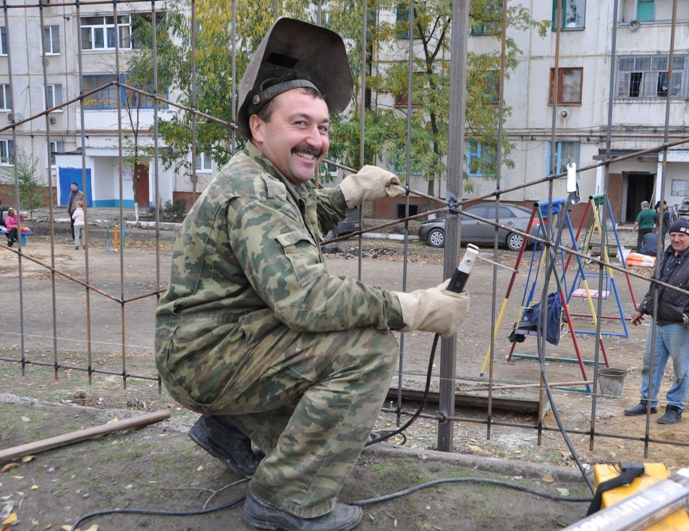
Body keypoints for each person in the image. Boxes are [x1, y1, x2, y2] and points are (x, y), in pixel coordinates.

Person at [154, 18, 469, 531]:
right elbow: (305, 297)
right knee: (366, 349)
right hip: (208, 357)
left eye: (322, 128)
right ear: (258, 127)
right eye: (300, 124)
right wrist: (410, 308)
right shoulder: (253, 191)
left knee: (315, 396)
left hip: (213, 345)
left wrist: (349, 192)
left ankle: (231, 430)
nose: (316, 139)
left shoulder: (266, 177)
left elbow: (294, 221)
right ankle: (286, 502)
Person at [625, 219, 689, 425]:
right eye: (673, 235)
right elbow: (654, 287)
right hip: (658, 321)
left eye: (682, 235)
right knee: (651, 364)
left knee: (681, 369)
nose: (676, 239)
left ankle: (675, 407)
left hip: (680, 325)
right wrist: (642, 308)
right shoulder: (666, 255)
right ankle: (648, 402)